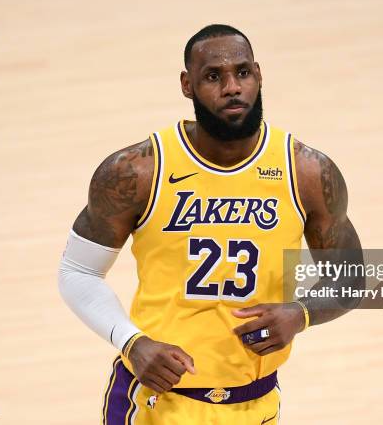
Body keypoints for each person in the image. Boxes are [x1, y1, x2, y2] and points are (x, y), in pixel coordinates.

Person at [58, 24, 362, 425]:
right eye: (213, 76)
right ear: (187, 85)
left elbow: (352, 277)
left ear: (259, 74)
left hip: (255, 403)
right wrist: (132, 342)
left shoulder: (305, 171)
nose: (232, 87)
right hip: (156, 401)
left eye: (242, 72)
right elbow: (78, 271)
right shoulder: (137, 171)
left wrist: (300, 313)